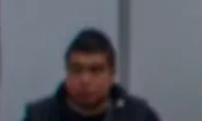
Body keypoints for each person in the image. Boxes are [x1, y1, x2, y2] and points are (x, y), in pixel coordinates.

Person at [24, 29, 160, 121]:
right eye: (76, 70)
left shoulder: (138, 116)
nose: (85, 80)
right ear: (66, 72)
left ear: (112, 75)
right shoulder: (39, 116)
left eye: (96, 70)